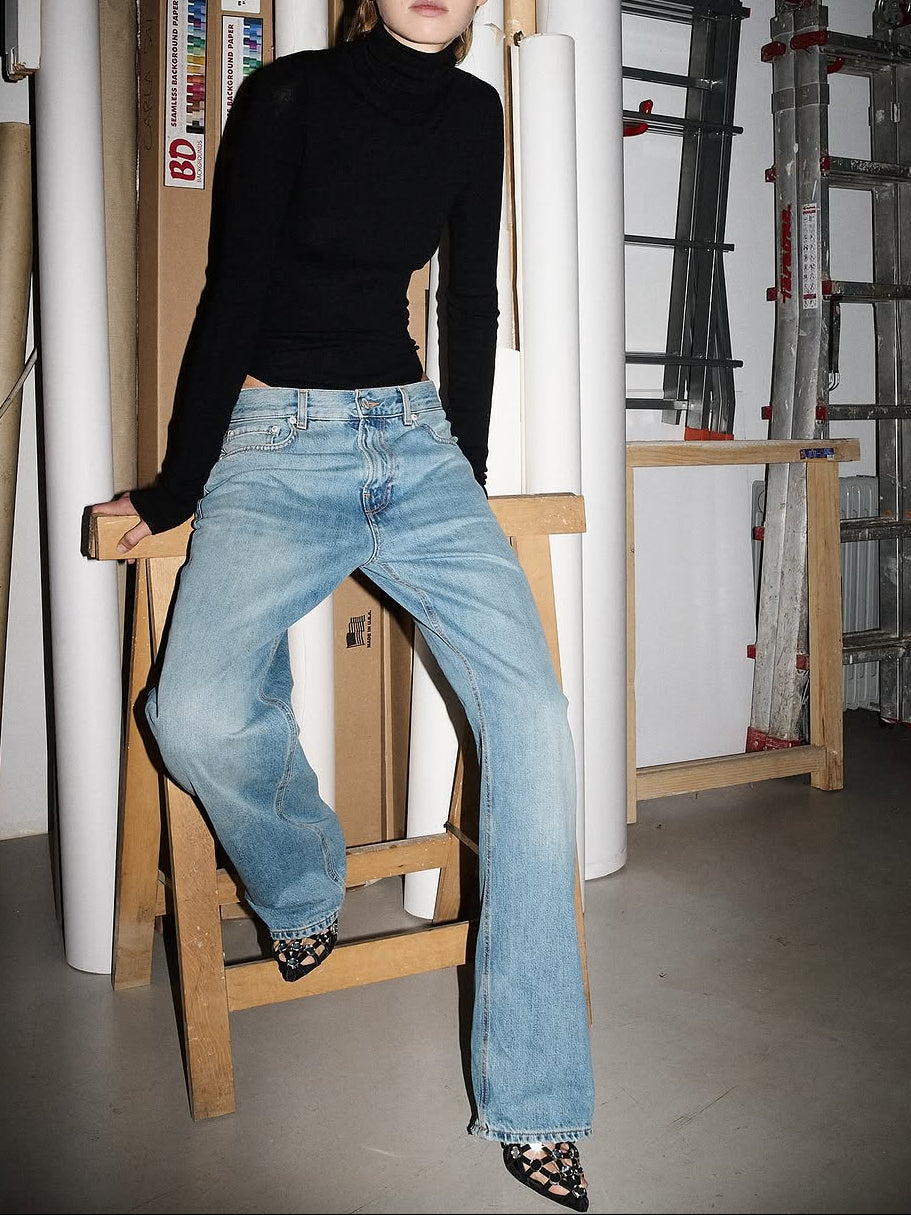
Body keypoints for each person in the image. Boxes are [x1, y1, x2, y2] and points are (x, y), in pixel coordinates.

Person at [92, 1, 593, 1208]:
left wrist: (460, 478)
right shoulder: (290, 97)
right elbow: (231, 290)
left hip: (414, 444)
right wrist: (177, 487)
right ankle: (305, 886)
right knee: (199, 710)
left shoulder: (475, 115)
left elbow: (464, 304)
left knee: (530, 722)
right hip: (275, 437)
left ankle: (534, 1097)